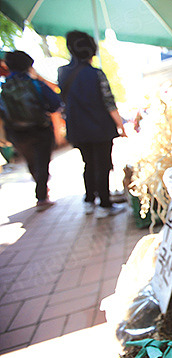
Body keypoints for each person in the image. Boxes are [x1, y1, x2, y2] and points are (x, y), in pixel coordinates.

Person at [58, 30, 126, 218]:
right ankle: (104, 204)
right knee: (103, 165)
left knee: (88, 164)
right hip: (100, 128)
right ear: (91, 51)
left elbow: (63, 101)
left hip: (77, 129)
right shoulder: (96, 74)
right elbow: (109, 102)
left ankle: (89, 200)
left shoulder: (63, 73)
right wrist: (121, 126)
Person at [0, 51, 62, 211]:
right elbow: (55, 104)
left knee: (32, 161)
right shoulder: (36, 84)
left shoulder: (4, 88)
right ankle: (42, 195)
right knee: (42, 161)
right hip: (40, 129)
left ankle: (41, 191)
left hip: (16, 133)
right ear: (29, 65)